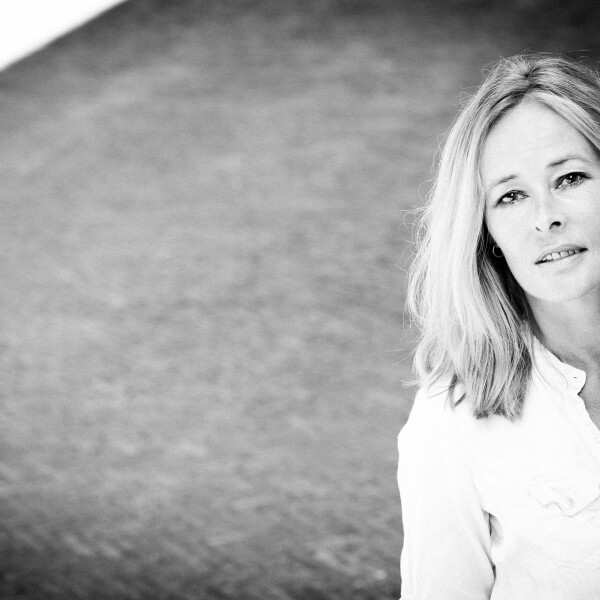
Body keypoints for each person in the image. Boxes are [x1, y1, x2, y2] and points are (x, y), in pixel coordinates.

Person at [397, 53, 600, 600]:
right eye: (510, 196)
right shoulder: (453, 418)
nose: (546, 217)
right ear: (485, 231)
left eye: (570, 178)